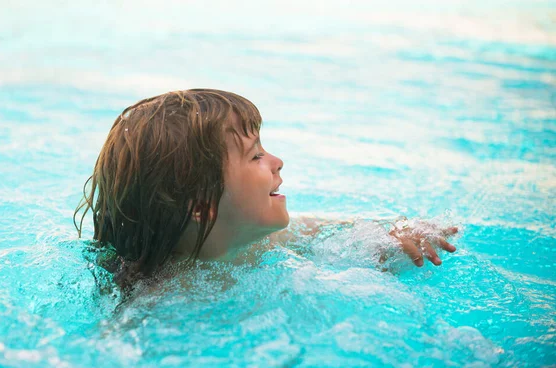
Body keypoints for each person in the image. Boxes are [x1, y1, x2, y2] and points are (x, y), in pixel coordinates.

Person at [74, 89, 457, 290]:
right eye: (255, 156)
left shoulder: (268, 240)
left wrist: (399, 236)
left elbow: (356, 237)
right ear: (202, 204)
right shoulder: (167, 294)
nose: (277, 161)